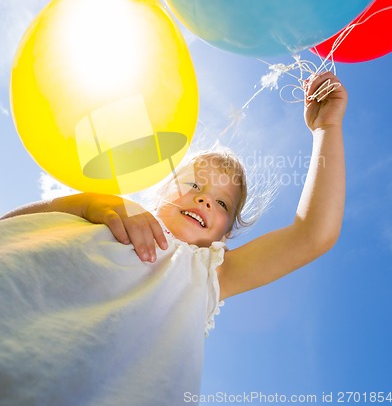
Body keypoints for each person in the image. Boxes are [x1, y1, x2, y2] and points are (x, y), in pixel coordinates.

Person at [0, 71, 347, 405]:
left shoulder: (209, 272)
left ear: (224, 236)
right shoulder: (111, 210)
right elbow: (14, 229)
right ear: (161, 191)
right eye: (194, 185)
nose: (205, 199)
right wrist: (85, 202)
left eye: (222, 203)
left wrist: (326, 128)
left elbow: (313, 234)